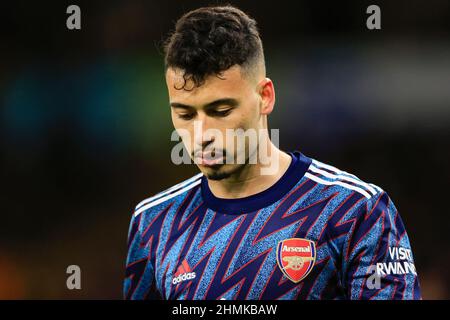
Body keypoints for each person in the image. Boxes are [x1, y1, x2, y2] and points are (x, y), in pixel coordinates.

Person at [124, 5, 421, 300]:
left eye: (221, 110)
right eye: (186, 115)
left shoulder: (354, 211)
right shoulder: (153, 223)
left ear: (265, 97)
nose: (202, 135)